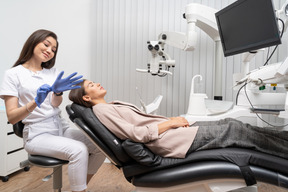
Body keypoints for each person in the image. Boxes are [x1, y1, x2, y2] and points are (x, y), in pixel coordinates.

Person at [69, 79, 288, 160]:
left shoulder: (110, 105)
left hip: (173, 132)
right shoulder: (103, 112)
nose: (97, 83)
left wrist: (172, 121)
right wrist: (171, 123)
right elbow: (136, 135)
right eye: (91, 85)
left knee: (236, 124)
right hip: (169, 140)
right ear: (87, 97)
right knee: (235, 130)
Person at [0, 30, 105, 192]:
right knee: (79, 150)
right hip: (37, 135)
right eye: (46, 44)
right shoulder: (13, 74)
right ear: (33, 42)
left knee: (101, 145)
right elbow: (12, 117)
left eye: (54, 49)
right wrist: (35, 102)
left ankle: (80, 187)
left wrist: (57, 92)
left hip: (59, 128)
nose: (50, 50)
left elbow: (55, 104)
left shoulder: (53, 73)